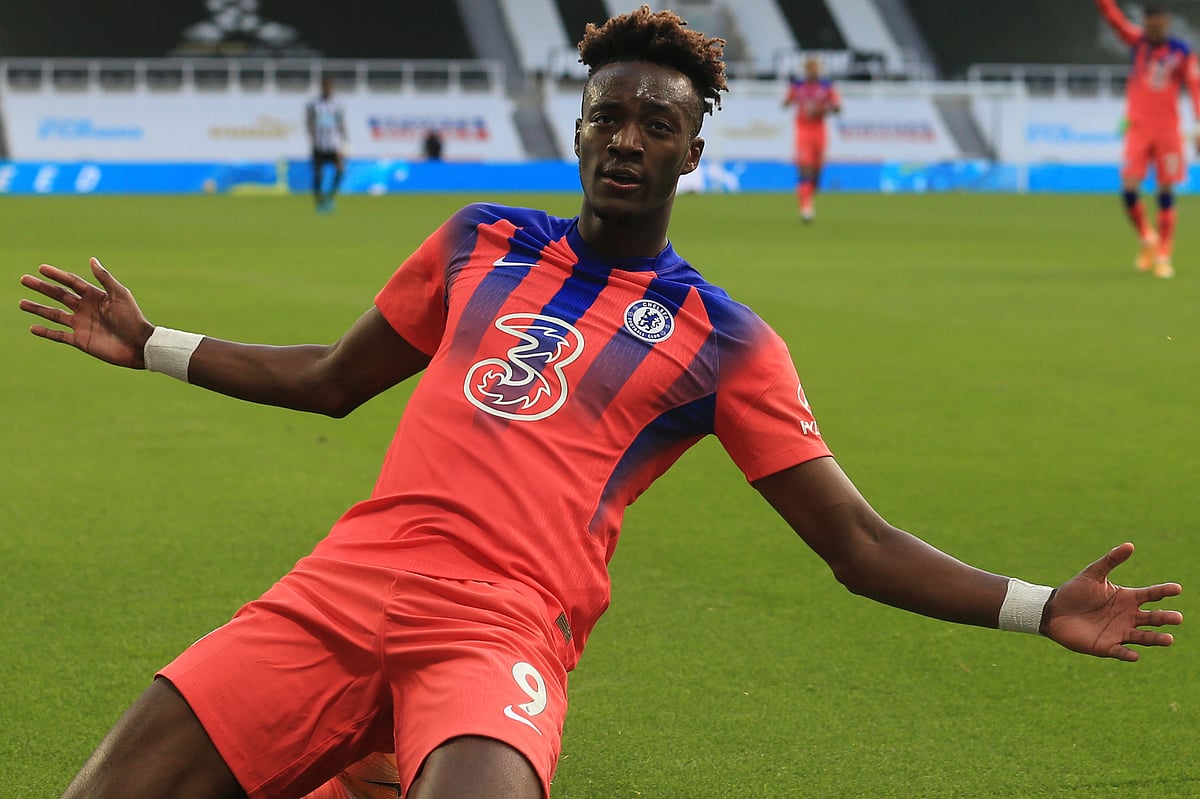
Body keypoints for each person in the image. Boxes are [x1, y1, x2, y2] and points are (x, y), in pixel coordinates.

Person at [19, 7, 1183, 799]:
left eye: (656, 125)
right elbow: (330, 381)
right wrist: (153, 344)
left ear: (691, 154)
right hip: (347, 583)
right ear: (578, 131)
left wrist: (1040, 607)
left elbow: (858, 544)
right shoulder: (478, 241)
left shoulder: (726, 341)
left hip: (501, 629)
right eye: (608, 117)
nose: (627, 140)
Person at [1096, 0, 1200, 278]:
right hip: (1138, 128)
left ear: (1167, 22)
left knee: (1165, 191)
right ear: (1145, 23)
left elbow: (1195, 86)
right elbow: (1114, 19)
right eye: (1151, 24)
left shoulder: (1181, 51)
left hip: (1167, 130)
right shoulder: (1137, 42)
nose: (1156, 29)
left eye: (1161, 23)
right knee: (1128, 187)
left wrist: (1199, 125)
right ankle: (1146, 237)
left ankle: (1164, 255)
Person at [782, 56, 841, 223]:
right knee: (805, 169)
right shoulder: (798, 86)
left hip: (819, 132)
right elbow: (786, 103)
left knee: (817, 173)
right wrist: (790, 97)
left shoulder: (827, 86)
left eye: (816, 69)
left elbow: (837, 107)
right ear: (806, 70)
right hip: (803, 132)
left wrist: (823, 109)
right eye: (810, 69)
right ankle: (805, 208)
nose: (813, 72)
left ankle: (809, 196)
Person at [306, 75, 349, 213]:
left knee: (341, 170)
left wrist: (345, 141)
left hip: (333, 144)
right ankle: (319, 202)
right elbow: (309, 122)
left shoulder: (337, 104)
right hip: (319, 145)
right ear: (322, 88)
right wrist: (312, 138)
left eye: (329, 86)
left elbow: (341, 123)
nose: (327, 89)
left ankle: (330, 197)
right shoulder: (314, 104)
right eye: (325, 86)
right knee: (319, 175)